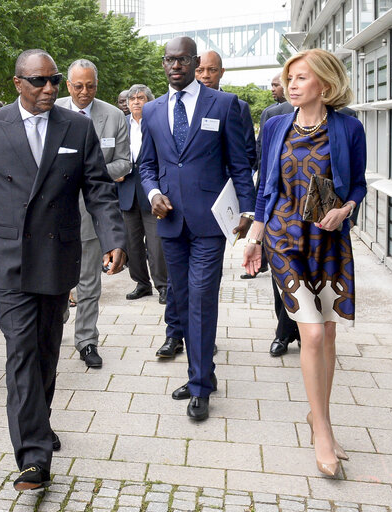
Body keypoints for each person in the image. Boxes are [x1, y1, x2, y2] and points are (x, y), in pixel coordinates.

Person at [0, 49, 126, 491]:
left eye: (54, 80)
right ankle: (33, 457)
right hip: (10, 257)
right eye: (39, 81)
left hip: (57, 257)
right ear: (18, 83)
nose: (50, 88)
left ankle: (38, 420)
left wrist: (115, 239)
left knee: (46, 352)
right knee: (21, 352)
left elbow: (97, 188)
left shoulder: (76, 126)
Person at [243, 49, 366, 477]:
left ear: (325, 84)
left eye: (301, 78)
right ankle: (323, 431)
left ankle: (319, 415)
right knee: (311, 335)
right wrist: (255, 237)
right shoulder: (275, 125)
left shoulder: (348, 127)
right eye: (289, 77)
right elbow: (265, 188)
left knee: (328, 333)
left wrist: (346, 208)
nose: (291, 84)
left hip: (328, 240)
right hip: (284, 237)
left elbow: (359, 186)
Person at [139, 37, 255, 421]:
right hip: (169, 220)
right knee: (184, 296)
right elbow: (146, 165)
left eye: (183, 60)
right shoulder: (153, 111)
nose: (176, 66)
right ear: (164, 64)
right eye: (169, 60)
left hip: (209, 222)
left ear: (194, 62)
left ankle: (200, 385)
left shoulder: (223, 105)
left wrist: (249, 211)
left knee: (202, 297)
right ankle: (201, 373)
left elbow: (240, 163)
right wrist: (153, 191)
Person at [56, 59, 130, 368]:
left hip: (90, 212)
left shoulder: (113, 117)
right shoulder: (51, 109)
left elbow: (124, 163)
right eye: (78, 86)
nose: (84, 92)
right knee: (55, 280)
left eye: (90, 86)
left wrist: (89, 172)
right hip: (54, 212)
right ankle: (53, 323)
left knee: (88, 283)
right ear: (68, 86)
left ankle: (86, 340)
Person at [117, 84, 168, 305]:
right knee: (132, 242)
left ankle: (163, 285)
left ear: (149, 101)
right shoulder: (120, 125)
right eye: (132, 99)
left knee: (156, 243)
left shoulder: (157, 123)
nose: (136, 102)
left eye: (141, 98)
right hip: (127, 189)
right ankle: (141, 283)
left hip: (152, 192)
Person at [195, 50, 256, 172]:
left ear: (221, 72)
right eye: (200, 70)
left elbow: (248, 153)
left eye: (212, 70)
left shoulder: (239, 107)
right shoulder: (182, 106)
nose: (205, 75)